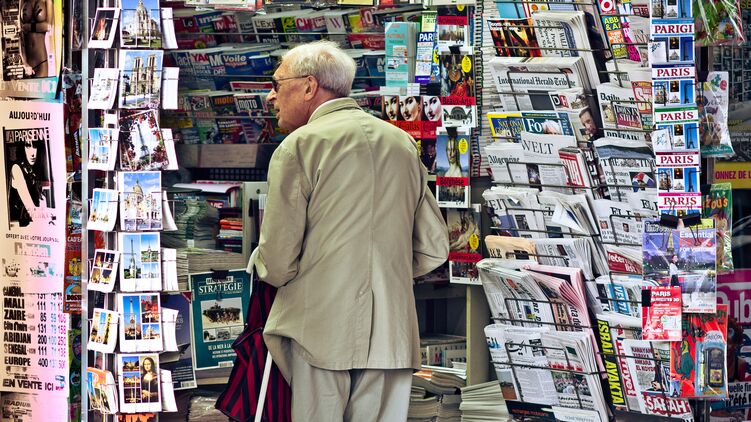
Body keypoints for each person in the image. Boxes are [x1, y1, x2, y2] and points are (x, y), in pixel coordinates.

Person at [253, 40, 448, 421]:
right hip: (391, 333)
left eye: (277, 84)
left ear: (309, 86)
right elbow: (433, 247)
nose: (270, 97)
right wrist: (383, 274)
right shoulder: (401, 143)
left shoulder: (299, 147)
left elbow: (276, 261)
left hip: (319, 329)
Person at [8, 138, 47, 227]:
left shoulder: (32, 171)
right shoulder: (16, 169)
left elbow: (39, 205)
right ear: (22, 148)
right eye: (28, 146)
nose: (33, 153)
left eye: (35, 146)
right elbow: (31, 208)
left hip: (31, 224)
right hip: (18, 227)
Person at [20, 0, 54, 77]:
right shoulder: (22, 1)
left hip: (41, 62)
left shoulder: (47, 1)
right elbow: (21, 34)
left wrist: (29, 27)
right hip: (27, 63)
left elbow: (47, 26)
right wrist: (24, 63)